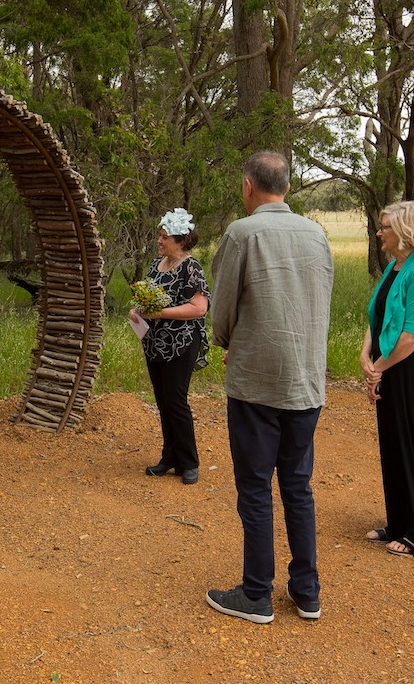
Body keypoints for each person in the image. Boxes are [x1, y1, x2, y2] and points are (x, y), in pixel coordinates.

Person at [205, 151, 334, 624]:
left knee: (256, 487)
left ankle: (257, 593)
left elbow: (222, 309)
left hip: (256, 381)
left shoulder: (243, 233)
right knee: (298, 486)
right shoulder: (317, 233)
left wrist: (226, 341)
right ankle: (307, 591)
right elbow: (322, 298)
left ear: (247, 187)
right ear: (287, 187)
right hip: (305, 381)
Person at [360, 200, 414, 559]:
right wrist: (367, 356)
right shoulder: (396, 267)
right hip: (391, 362)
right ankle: (399, 522)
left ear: (406, 231)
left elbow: (412, 335)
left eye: (385, 227)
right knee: (394, 444)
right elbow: (377, 316)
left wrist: (379, 366)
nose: (379, 232)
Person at [128, 208, 210, 485]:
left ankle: (189, 462)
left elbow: (199, 308)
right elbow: (148, 298)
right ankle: (169, 457)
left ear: (181, 241)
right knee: (163, 400)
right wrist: (138, 311)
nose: (159, 241)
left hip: (182, 342)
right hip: (156, 343)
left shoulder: (191, 267)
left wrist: (159, 314)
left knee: (175, 401)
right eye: (160, 235)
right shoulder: (156, 265)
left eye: (165, 237)